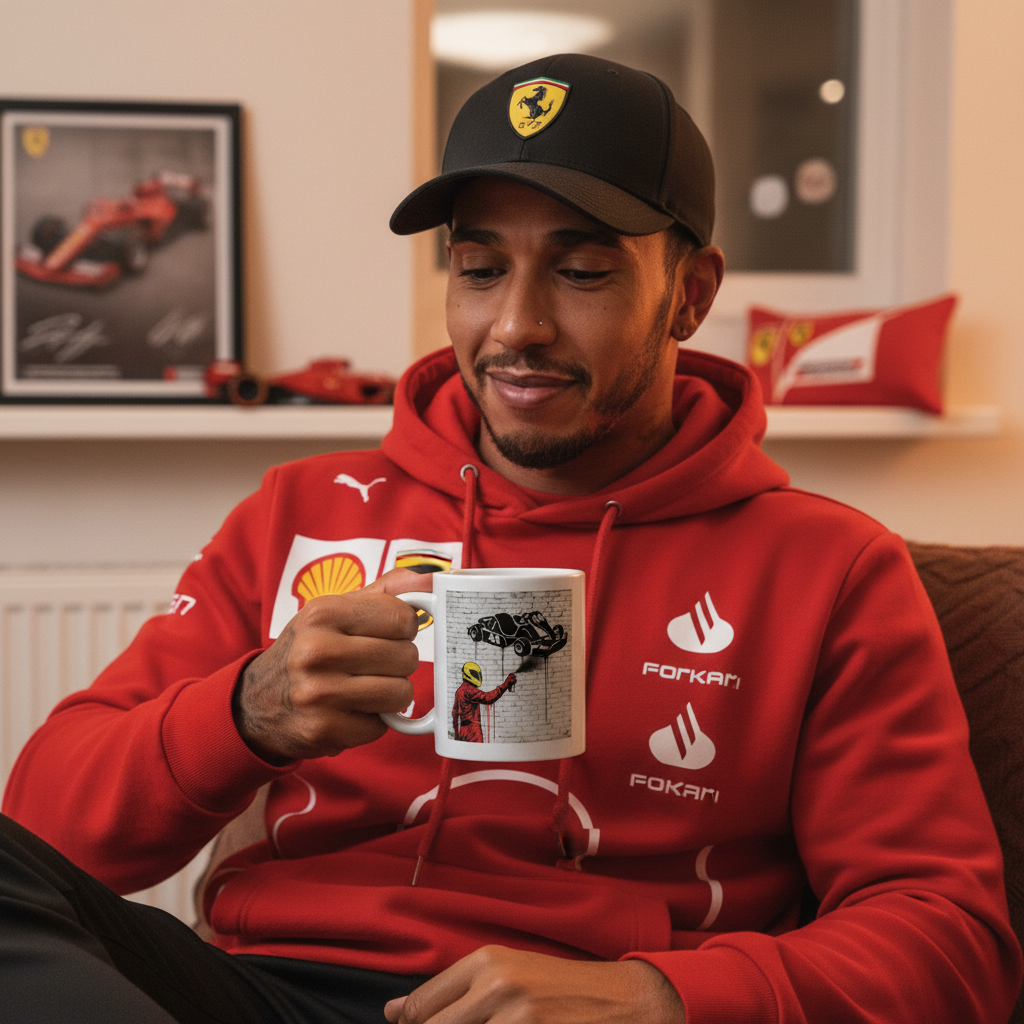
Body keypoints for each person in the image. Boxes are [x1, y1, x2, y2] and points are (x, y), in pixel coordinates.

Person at [1, 52, 1021, 1024]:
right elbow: (47, 822)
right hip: (274, 989)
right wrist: (243, 711)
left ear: (690, 295)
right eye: (480, 268)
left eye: (580, 274)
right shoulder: (301, 510)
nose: (515, 325)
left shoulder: (826, 566)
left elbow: (950, 939)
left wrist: (667, 997)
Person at [451, 663, 516, 742]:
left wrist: (457, 735)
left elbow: (454, 713)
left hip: (462, 730)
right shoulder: (468, 689)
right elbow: (488, 698)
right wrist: (505, 684)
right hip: (472, 731)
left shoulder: (459, 690)